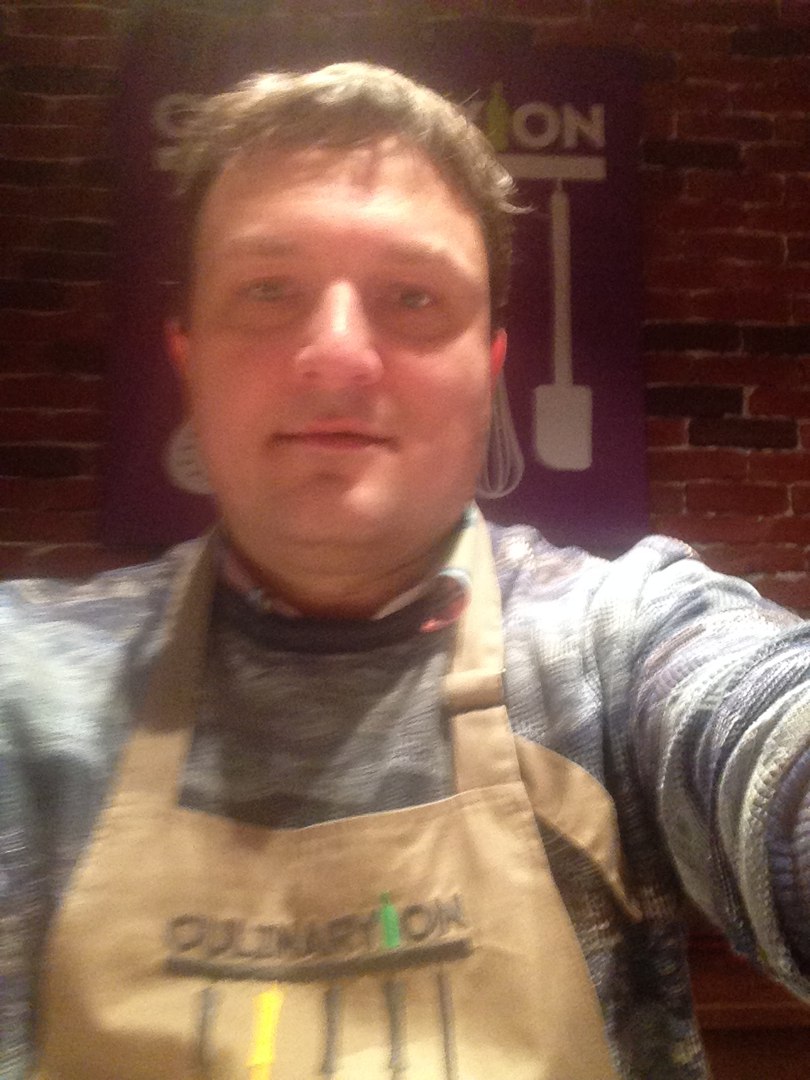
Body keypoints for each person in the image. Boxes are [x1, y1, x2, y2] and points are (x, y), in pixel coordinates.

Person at [1, 62, 808, 1080]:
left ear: (489, 370)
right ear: (188, 357)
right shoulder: (28, 687)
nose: (337, 354)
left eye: (414, 296)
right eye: (267, 289)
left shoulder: (617, 645)